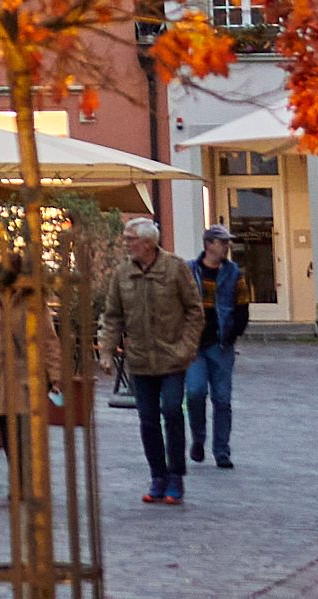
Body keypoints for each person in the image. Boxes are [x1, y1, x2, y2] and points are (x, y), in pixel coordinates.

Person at [98, 214, 205, 504]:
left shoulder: (174, 268)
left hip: (172, 358)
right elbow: (113, 316)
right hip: (140, 360)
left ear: (147, 243)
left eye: (130, 240)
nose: (126, 244)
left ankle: (176, 476)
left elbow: (194, 311)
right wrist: (106, 350)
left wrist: (186, 347)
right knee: (147, 419)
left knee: (172, 411)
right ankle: (158, 475)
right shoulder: (123, 273)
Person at [189, 223, 252, 470]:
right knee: (195, 392)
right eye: (222, 242)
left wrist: (233, 333)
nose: (226, 246)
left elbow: (243, 308)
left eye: (227, 242)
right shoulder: (190, 271)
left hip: (221, 344)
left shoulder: (234, 274)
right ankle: (198, 439)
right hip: (194, 344)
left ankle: (222, 451)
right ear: (208, 244)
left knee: (222, 399)